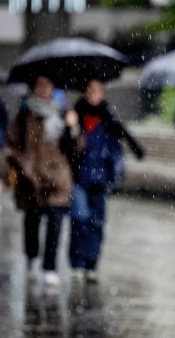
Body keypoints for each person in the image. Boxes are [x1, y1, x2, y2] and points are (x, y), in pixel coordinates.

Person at [6, 75, 82, 287]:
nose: (43, 89)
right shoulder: (24, 114)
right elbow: (11, 145)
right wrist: (22, 164)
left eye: (48, 85)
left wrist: (73, 128)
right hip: (31, 178)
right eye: (39, 85)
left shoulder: (63, 113)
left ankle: (50, 267)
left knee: (56, 223)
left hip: (57, 178)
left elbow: (75, 148)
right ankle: (32, 259)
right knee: (32, 222)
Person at [69, 79, 145, 283]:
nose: (94, 95)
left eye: (97, 91)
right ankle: (77, 262)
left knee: (97, 222)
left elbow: (120, 140)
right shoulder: (75, 115)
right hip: (78, 178)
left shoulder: (108, 116)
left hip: (100, 178)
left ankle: (91, 264)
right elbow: (66, 147)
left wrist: (132, 155)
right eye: (90, 91)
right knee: (80, 218)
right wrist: (73, 132)